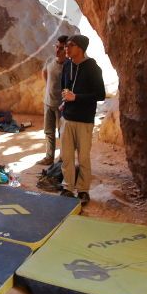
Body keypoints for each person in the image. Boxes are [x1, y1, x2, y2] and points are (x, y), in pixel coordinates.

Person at [59, 34, 105, 204]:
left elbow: (100, 95)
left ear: (80, 48)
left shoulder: (93, 67)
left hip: (84, 120)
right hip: (67, 118)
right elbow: (63, 88)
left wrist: (76, 97)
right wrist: (64, 101)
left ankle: (83, 190)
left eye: (70, 45)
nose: (66, 48)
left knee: (83, 157)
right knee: (67, 156)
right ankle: (67, 188)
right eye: (66, 45)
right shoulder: (67, 65)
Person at [38, 35, 69, 166]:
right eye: (56, 47)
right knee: (48, 131)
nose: (57, 50)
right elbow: (44, 72)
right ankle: (49, 157)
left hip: (61, 105)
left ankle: (62, 159)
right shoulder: (50, 60)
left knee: (62, 133)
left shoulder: (69, 65)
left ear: (66, 49)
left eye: (61, 48)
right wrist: (47, 87)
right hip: (48, 102)